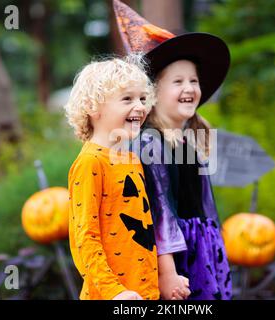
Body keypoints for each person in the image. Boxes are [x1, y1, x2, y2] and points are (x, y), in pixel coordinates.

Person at [113, 0, 233, 300]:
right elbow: (156, 213)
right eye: (177, 81)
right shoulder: (150, 142)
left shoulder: (186, 140)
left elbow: (204, 205)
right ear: (153, 93)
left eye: (193, 80)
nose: (189, 88)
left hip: (200, 250)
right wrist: (167, 273)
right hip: (175, 257)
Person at [64, 55, 162, 300]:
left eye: (142, 98)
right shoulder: (90, 163)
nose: (139, 106)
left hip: (144, 293)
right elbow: (84, 238)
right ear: (93, 107)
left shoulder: (131, 160)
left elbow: (144, 233)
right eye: (127, 99)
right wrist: (114, 292)